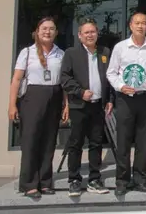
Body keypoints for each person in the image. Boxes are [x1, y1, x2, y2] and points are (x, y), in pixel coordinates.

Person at [8, 17, 69, 198]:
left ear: (56, 32)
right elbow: (16, 79)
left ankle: (45, 181)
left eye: (51, 28)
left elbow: (64, 82)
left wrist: (66, 105)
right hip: (32, 97)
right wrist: (12, 105)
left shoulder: (61, 54)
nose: (47, 32)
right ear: (37, 31)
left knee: (49, 141)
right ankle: (29, 184)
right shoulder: (27, 52)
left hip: (54, 96)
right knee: (31, 141)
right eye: (44, 28)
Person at [106, 12, 146, 196]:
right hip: (125, 99)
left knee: (143, 142)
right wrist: (120, 86)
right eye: (137, 23)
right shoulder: (121, 47)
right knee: (123, 141)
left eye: (144, 23)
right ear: (130, 25)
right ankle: (122, 180)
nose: (140, 26)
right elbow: (111, 73)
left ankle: (140, 179)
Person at [60, 19, 113, 197]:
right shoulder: (71, 53)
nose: (90, 35)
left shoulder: (105, 52)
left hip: (98, 106)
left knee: (96, 143)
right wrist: (80, 92)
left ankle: (94, 179)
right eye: (86, 32)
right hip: (79, 105)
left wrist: (110, 99)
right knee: (76, 144)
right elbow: (65, 78)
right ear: (80, 35)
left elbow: (111, 77)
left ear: (97, 33)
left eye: (93, 32)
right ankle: (74, 180)